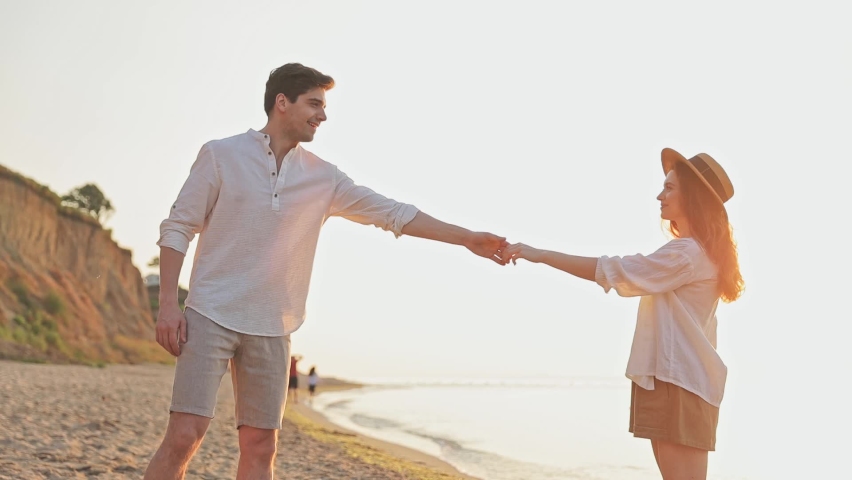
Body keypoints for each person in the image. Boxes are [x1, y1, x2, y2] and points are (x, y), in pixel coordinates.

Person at [144, 63, 508, 480]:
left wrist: (466, 238)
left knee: (261, 445)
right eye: (314, 104)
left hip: (274, 325)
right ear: (283, 102)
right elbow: (178, 227)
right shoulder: (221, 155)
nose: (323, 115)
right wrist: (168, 306)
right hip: (210, 313)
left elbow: (392, 213)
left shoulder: (324, 178)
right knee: (185, 435)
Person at [502, 148, 744, 480]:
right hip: (686, 381)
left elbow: (614, 271)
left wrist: (540, 254)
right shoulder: (701, 252)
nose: (659, 196)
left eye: (669, 188)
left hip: (676, 381)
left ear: (693, 197)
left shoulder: (687, 253)